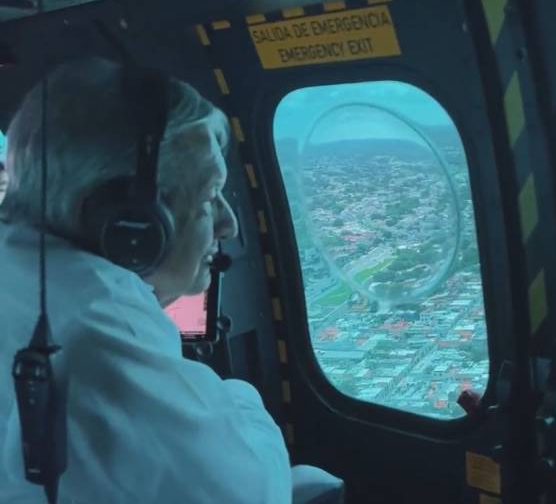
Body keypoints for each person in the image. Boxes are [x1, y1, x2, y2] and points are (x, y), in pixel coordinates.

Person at [0, 57, 343, 503]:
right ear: (134, 227)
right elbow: (248, 492)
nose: (229, 224)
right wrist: (236, 397)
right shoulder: (100, 328)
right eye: (207, 197)